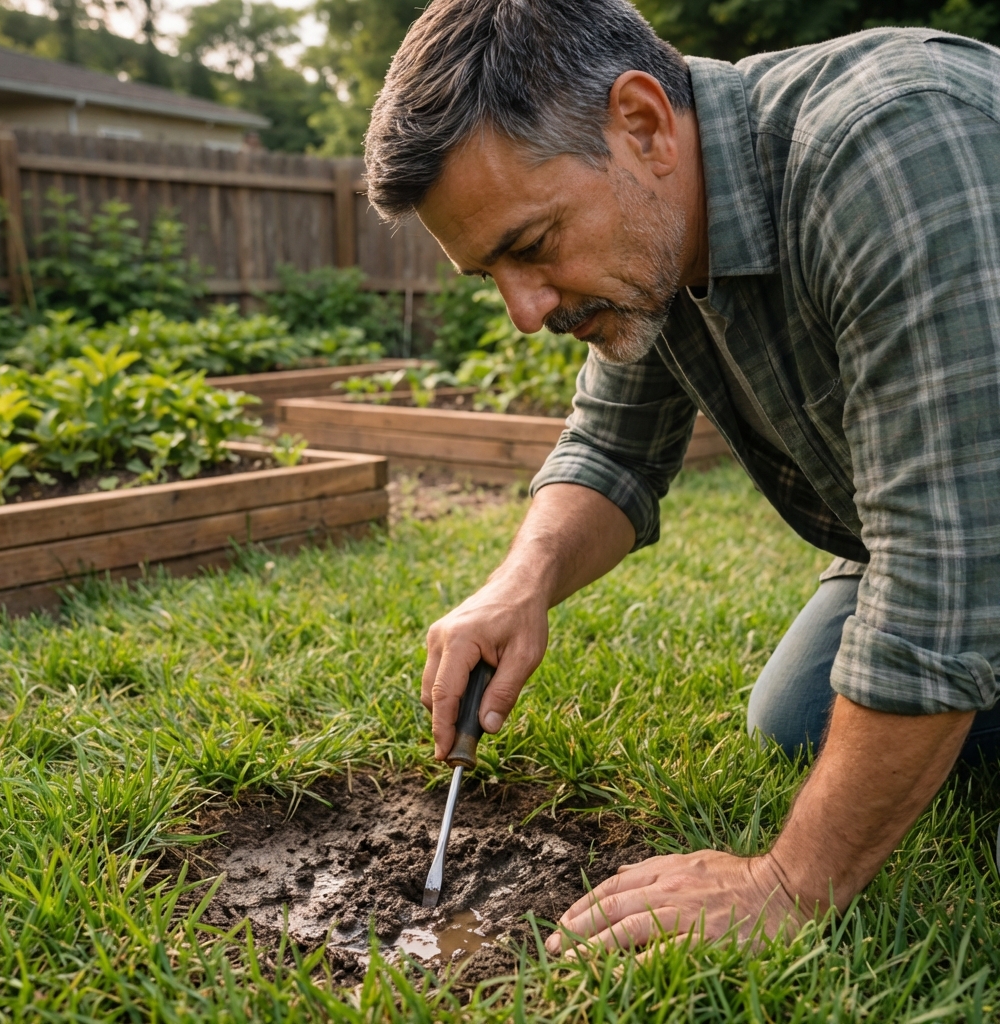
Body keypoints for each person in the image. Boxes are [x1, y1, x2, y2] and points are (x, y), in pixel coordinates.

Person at [365, 0, 1000, 953]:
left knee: (924, 654)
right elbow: (612, 450)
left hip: (970, 530)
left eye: (531, 247)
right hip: (955, 525)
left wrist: (791, 883)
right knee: (801, 716)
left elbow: (942, 577)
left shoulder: (894, 150)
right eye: (490, 275)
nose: (525, 313)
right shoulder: (657, 234)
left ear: (644, 123)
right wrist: (520, 584)